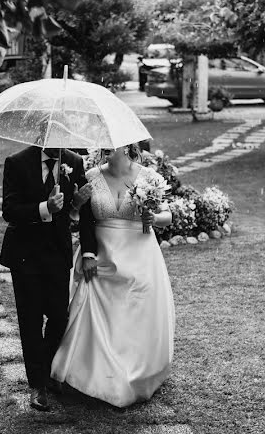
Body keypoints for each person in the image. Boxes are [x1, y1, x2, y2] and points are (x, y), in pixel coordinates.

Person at [51, 143, 175, 408]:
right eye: (103, 143)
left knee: (136, 313)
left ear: (128, 145)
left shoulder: (149, 178)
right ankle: (94, 374)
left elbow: (168, 215)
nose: (106, 147)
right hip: (102, 256)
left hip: (140, 256)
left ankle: (136, 371)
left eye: (112, 143)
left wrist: (153, 216)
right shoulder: (91, 176)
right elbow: (83, 219)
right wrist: (87, 253)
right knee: (96, 313)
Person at [0, 134, 95, 412]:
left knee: (59, 316)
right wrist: (45, 208)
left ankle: (46, 370)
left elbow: (77, 215)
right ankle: (38, 385)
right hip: (25, 254)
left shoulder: (74, 162)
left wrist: (75, 204)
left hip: (57, 252)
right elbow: (10, 210)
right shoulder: (17, 162)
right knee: (30, 320)